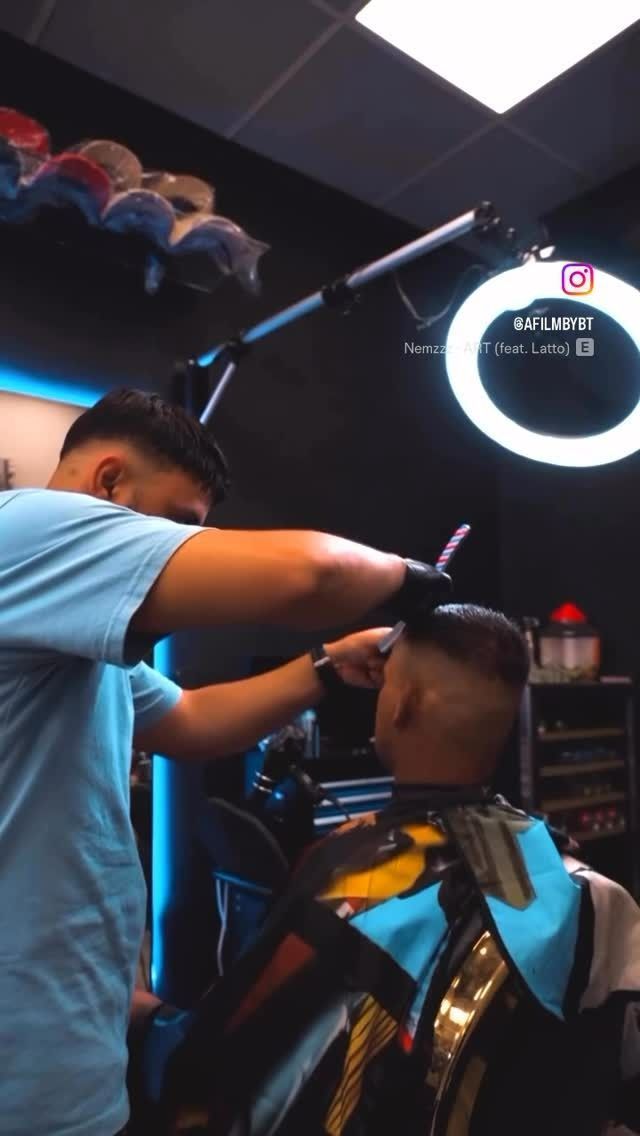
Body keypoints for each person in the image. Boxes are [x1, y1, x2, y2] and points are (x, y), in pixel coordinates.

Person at [0, 388, 448, 1136]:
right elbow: (314, 574)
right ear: (109, 483)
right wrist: (410, 580)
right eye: (179, 525)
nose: (182, 549)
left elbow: (192, 721)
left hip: (66, 1034)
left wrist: (329, 664)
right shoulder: (27, 528)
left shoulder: (68, 631)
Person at [136, 604, 640, 1136]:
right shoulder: (582, 883)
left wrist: (147, 1020)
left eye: (388, 685)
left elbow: (223, 1065)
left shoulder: (352, 881)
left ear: (404, 704)